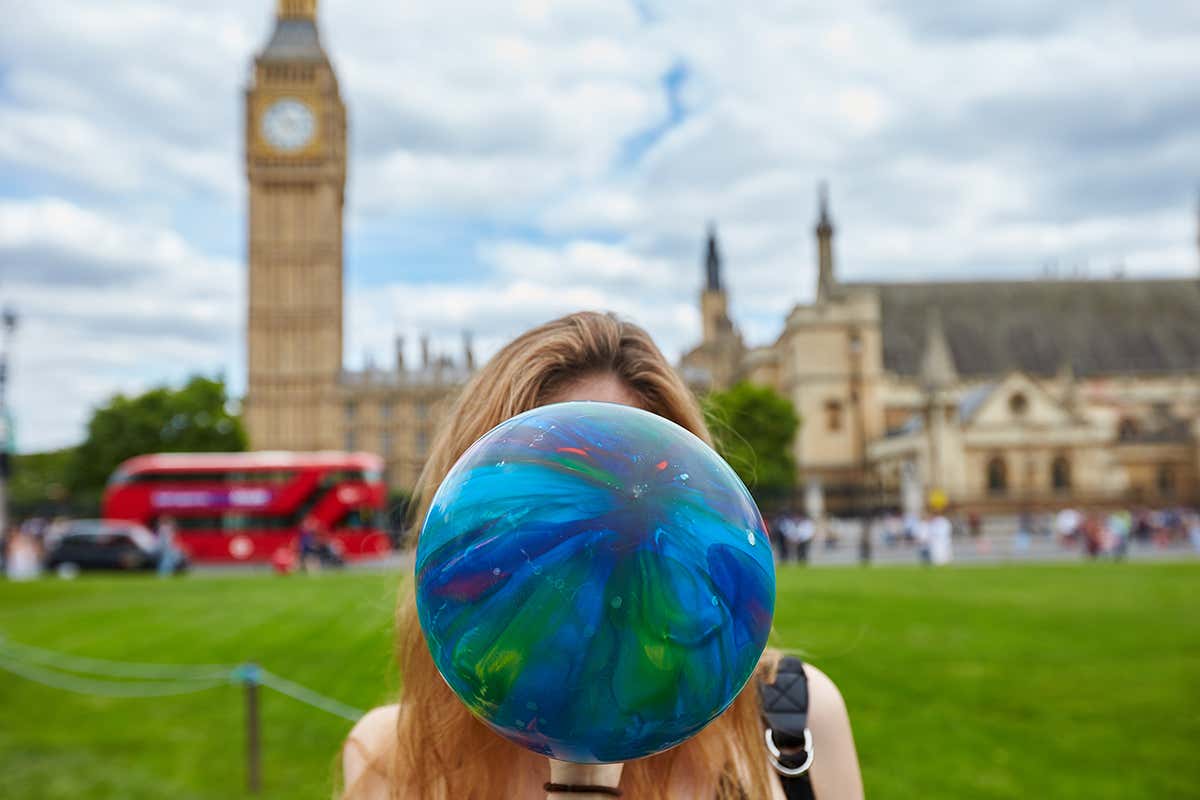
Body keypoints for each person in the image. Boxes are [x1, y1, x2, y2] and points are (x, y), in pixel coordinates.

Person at [342, 312, 863, 799]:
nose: (598, 551)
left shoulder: (796, 722)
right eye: (543, 499)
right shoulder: (388, 760)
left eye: (636, 492)